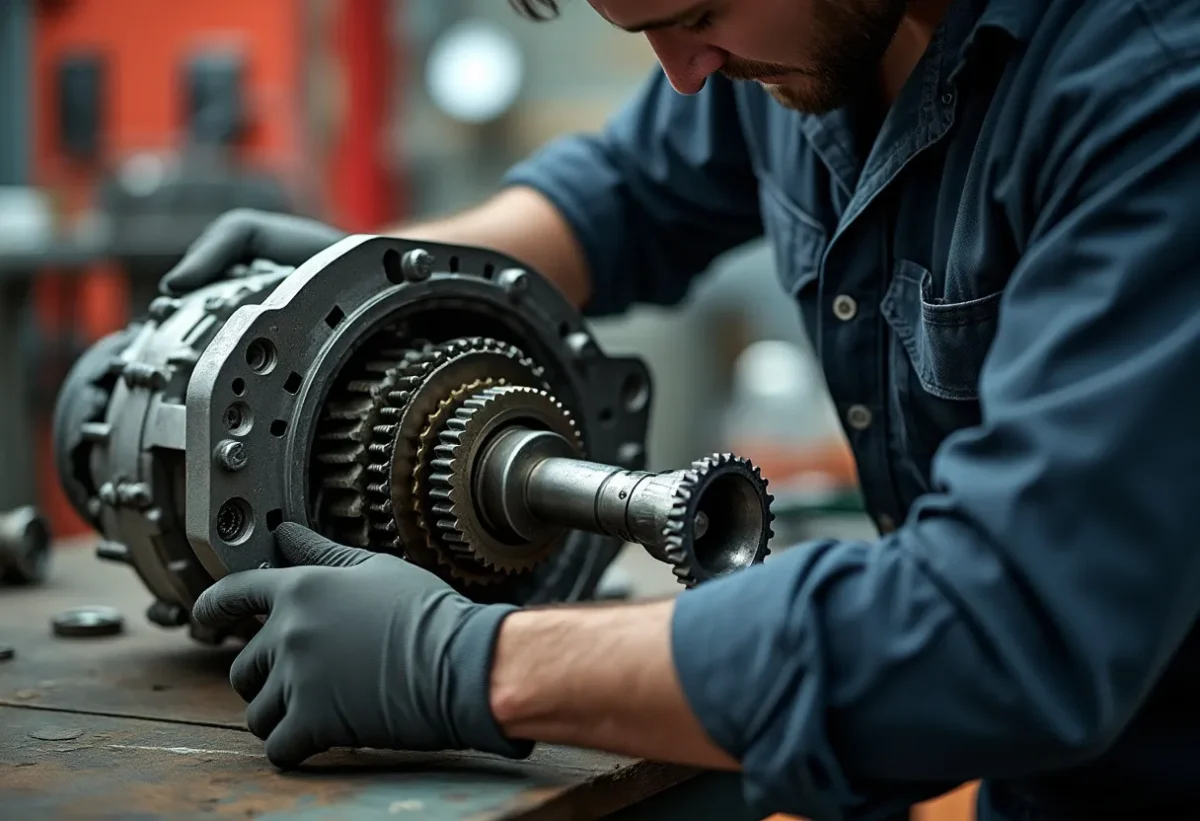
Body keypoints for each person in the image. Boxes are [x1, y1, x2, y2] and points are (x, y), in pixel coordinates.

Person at [163, 0, 1200, 818]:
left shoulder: (1152, 84)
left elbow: (1005, 626)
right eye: (642, 28)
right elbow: (620, 192)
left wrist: (468, 662)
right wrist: (372, 278)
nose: (682, 70)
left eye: (697, 13)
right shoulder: (791, 37)